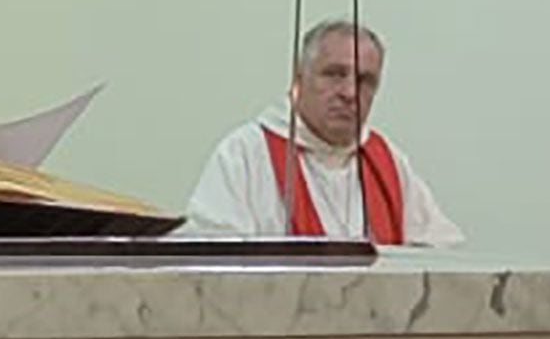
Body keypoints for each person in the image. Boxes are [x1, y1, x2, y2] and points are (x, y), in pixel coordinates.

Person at [185, 20, 463, 246]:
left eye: (366, 81)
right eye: (334, 74)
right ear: (299, 77)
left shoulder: (386, 160)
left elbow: (440, 254)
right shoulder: (245, 154)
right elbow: (212, 260)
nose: (350, 93)